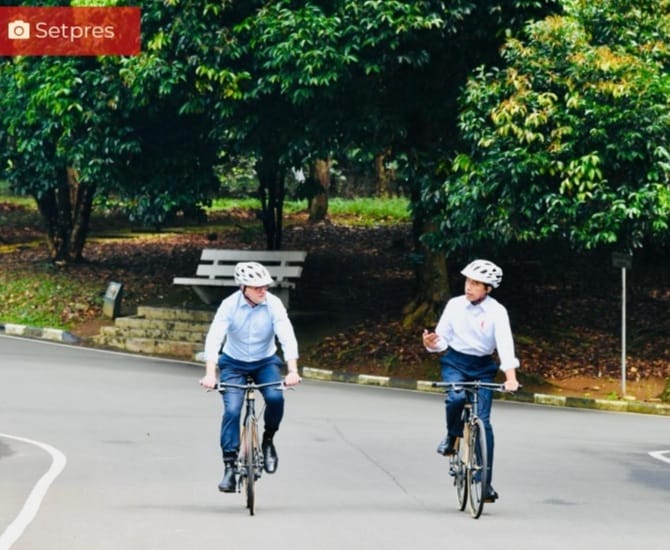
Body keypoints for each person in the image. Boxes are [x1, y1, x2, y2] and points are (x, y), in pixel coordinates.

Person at [422, 259, 519, 503]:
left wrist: (511, 378)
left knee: (484, 423)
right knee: (455, 398)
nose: (469, 287)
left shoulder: (497, 312)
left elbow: (505, 346)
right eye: (468, 281)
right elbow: (442, 339)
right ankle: (451, 436)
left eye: (476, 284)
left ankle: (485, 483)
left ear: (488, 289)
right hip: (455, 363)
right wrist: (431, 344)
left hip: (483, 367)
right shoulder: (455, 305)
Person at [200, 261, 301, 493]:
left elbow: (286, 335)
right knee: (233, 410)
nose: (262, 291)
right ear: (243, 287)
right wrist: (209, 374)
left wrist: (293, 370)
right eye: (257, 287)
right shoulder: (229, 306)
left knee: (276, 398)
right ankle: (229, 468)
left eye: (265, 286)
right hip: (233, 364)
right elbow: (215, 337)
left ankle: (267, 442)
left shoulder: (273, 304)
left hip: (265, 362)